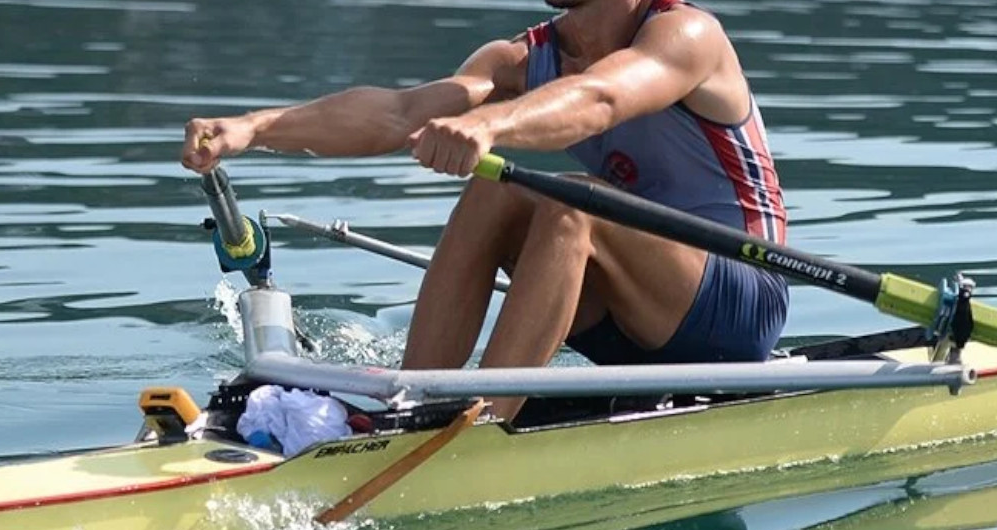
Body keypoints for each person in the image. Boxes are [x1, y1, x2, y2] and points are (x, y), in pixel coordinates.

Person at [181, 0, 789, 421]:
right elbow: (398, 113)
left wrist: (490, 123)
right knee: (495, 189)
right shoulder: (520, 61)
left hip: (736, 305)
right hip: (628, 318)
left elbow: (602, 98)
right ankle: (418, 406)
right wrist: (252, 128)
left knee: (574, 203)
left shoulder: (687, 35)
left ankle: (482, 428)